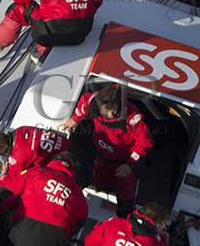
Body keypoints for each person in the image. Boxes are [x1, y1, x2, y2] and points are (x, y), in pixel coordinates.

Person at [64, 83, 154, 215]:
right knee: (98, 183)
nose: (110, 114)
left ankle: (124, 219)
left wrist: (130, 164)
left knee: (126, 200)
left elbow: (145, 142)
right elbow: (83, 104)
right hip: (101, 157)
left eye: (113, 110)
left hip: (122, 163)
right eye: (106, 111)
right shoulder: (93, 102)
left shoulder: (132, 118)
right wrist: (75, 120)